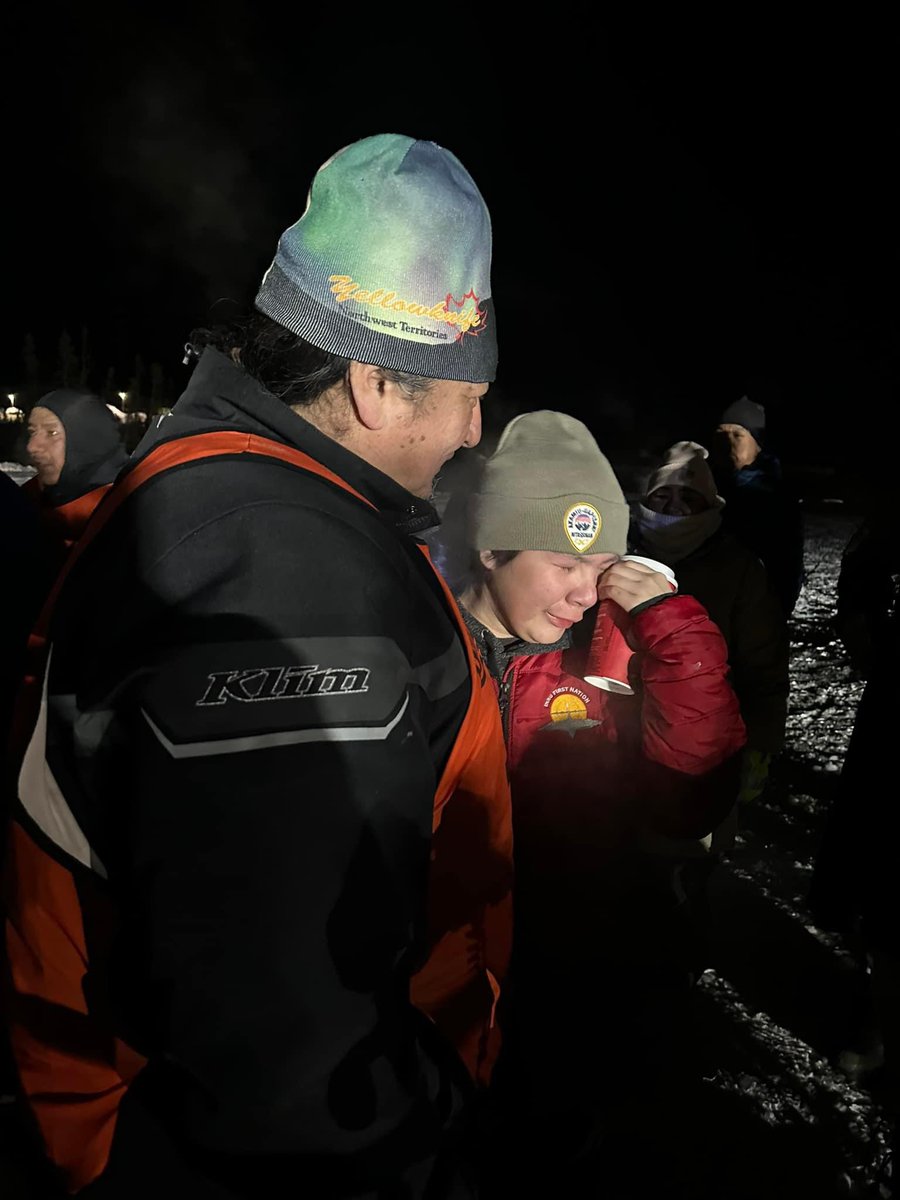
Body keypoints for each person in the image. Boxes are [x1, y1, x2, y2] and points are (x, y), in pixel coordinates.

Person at [3, 134, 513, 1199]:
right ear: (377, 384)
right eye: (469, 390)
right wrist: (414, 1149)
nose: (475, 430)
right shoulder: (288, 566)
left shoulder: (228, 496)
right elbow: (286, 1050)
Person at [433, 411, 746, 1179]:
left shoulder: (609, 660)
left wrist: (681, 647)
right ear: (491, 547)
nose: (584, 591)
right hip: (439, 962)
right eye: (563, 563)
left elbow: (689, 801)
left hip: (568, 956)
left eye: (602, 563)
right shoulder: (420, 640)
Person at [633, 440, 789, 820]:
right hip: (622, 731)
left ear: (710, 505)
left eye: (689, 497)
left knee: (692, 835)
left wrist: (761, 744)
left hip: (709, 739)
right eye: (662, 496)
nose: (673, 508)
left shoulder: (739, 569)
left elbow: (763, 660)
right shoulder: (620, 553)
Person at [22, 388, 129, 586]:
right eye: (32, 432)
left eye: (51, 432)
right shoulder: (22, 505)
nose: (32, 446)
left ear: (87, 439)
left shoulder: (125, 525)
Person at [711, 395, 805, 618]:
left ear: (758, 443)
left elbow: (787, 570)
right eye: (721, 434)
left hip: (755, 615)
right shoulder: (706, 488)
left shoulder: (776, 498)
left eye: (738, 435)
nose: (728, 442)